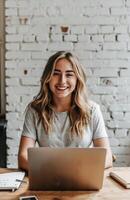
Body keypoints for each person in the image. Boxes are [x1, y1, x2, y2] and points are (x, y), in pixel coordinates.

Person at [18, 51, 112, 171]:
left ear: (77, 79)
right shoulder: (35, 110)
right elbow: (23, 157)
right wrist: (51, 170)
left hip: (82, 175)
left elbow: (108, 157)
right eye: (55, 74)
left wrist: (81, 168)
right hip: (47, 175)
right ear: (47, 77)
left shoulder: (92, 110)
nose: (62, 81)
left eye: (69, 75)